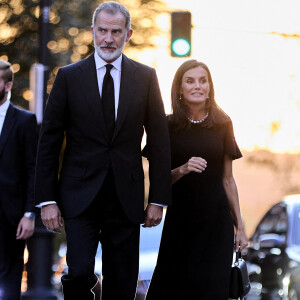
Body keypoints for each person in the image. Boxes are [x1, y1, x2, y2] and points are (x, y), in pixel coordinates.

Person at [34, 2, 171, 299]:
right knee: (80, 271)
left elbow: (159, 141)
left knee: (122, 280)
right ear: (93, 31)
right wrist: (47, 199)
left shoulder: (146, 78)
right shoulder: (69, 77)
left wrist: (158, 199)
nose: (108, 38)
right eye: (103, 31)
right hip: (78, 195)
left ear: (128, 34)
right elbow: (49, 142)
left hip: (126, 196)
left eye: (116, 32)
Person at [144, 60, 248, 300]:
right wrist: (183, 168)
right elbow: (160, 181)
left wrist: (240, 227)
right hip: (181, 222)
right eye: (190, 81)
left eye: (203, 81)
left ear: (210, 87)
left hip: (217, 223)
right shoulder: (166, 125)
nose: (197, 86)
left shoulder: (223, 123)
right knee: (175, 288)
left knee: (213, 290)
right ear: (179, 89)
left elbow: (228, 180)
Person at [0, 59, 37, 300]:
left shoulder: (24, 121)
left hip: (10, 215)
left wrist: (29, 214)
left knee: (9, 277)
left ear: (8, 85)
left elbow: (33, 170)